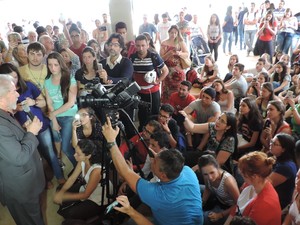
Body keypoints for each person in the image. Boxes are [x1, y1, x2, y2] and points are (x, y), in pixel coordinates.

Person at [101, 116, 204, 225]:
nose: (153, 159)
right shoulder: (187, 171)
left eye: (154, 162)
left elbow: (124, 171)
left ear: (163, 175)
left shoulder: (158, 195)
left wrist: (111, 141)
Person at [0, 63, 66, 187]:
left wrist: (33, 102)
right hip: (23, 130)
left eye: (15, 77)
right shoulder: (3, 95)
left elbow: (44, 102)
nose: (13, 80)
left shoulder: (28, 85)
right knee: (36, 157)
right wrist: (15, 109)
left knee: (50, 153)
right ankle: (45, 180)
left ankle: (59, 175)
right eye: (9, 78)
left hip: (40, 126)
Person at [0, 75, 45, 225]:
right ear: (2, 98)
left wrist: (26, 132)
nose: (18, 94)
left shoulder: (5, 113)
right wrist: (31, 133)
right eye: (13, 91)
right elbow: (19, 157)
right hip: (20, 190)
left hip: (25, 184)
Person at [54, 139, 109, 221]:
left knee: (70, 213)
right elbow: (72, 178)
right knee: (59, 189)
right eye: (75, 152)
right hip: (87, 187)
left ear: (88, 156)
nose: (74, 155)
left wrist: (65, 196)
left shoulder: (96, 171)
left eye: (78, 154)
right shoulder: (82, 160)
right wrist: (62, 192)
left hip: (98, 197)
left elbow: (86, 195)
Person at [224, 151, 281, 225]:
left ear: (254, 177)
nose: (241, 176)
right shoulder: (250, 184)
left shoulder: (264, 205)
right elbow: (236, 208)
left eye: (243, 174)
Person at [45, 52, 78, 167]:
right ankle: (61, 162)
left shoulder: (69, 78)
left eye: (56, 64)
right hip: (55, 116)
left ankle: (79, 168)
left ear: (61, 65)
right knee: (56, 139)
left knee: (66, 148)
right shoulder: (47, 80)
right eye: (50, 65)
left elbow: (70, 103)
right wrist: (53, 120)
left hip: (69, 115)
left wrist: (53, 114)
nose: (53, 68)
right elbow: (49, 103)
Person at [130, 34, 168, 131]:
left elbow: (166, 71)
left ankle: (155, 134)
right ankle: (143, 133)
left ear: (148, 45)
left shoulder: (154, 57)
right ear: (135, 46)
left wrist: (158, 81)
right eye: (138, 46)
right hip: (139, 91)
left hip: (152, 92)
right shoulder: (132, 58)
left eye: (143, 45)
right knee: (142, 114)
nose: (141, 48)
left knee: (154, 114)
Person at [199, 154, 240, 225]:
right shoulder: (207, 176)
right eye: (205, 174)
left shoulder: (228, 181)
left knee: (202, 218)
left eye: (212, 172)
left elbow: (238, 204)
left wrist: (220, 215)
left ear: (217, 167)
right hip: (218, 199)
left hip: (229, 208)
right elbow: (208, 188)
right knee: (197, 188)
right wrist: (202, 203)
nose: (210, 177)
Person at [159, 25, 188, 104]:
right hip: (167, 72)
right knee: (167, 92)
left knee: (179, 90)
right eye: (172, 32)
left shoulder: (180, 42)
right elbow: (161, 59)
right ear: (168, 32)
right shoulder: (164, 43)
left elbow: (187, 54)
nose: (173, 35)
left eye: (175, 33)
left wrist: (179, 53)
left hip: (179, 72)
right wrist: (169, 53)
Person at [269, 133, 297, 209]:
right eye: (271, 141)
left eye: (275, 144)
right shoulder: (278, 158)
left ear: (284, 149)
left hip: (277, 204)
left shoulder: (285, 167)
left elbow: (264, 185)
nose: (271, 144)